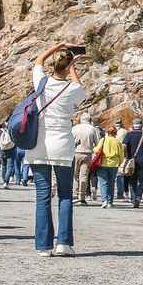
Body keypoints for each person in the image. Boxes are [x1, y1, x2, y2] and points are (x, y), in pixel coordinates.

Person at [27, 43, 86, 256]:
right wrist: (73, 68)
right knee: (65, 195)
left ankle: (44, 246)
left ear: (53, 65)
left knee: (42, 196)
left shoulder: (41, 83)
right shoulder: (72, 89)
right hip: (62, 146)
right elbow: (81, 91)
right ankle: (64, 243)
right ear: (68, 65)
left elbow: (38, 61)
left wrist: (59, 46)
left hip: (39, 146)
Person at [120, 118, 143, 207]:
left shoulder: (129, 135)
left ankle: (133, 199)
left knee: (132, 181)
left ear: (133, 125)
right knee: (142, 181)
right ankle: (138, 197)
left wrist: (126, 156)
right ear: (141, 126)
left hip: (131, 162)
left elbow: (124, 146)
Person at [72, 114, 100, 206]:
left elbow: (70, 141)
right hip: (88, 154)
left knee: (75, 175)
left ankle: (75, 194)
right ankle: (82, 197)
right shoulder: (93, 129)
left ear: (81, 119)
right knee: (84, 175)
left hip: (76, 152)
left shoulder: (75, 128)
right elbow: (98, 143)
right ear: (90, 120)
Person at [95, 126, 123, 208]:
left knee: (103, 183)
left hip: (103, 163)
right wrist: (120, 163)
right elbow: (121, 155)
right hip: (114, 164)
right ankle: (110, 202)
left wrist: (94, 149)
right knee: (111, 183)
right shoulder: (117, 142)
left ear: (107, 132)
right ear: (115, 133)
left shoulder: (103, 140)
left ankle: (104, 200)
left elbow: (97, 150)